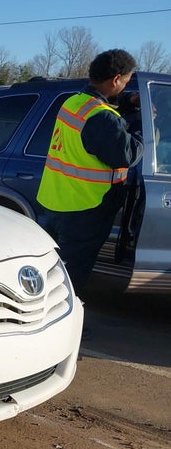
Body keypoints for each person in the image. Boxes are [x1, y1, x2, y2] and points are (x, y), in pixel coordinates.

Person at [37, 49, 144, 301]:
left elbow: (100, 125)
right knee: (71, 276)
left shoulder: (74, 102)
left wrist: (127, 103)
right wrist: (143, 127)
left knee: (50, 268)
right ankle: (62, 316)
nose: (126, 86)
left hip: (55, 201)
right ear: (116, 79)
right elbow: (128, 155)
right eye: (126, 81)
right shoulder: (101, 117)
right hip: (85, 209)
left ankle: (38, 308)